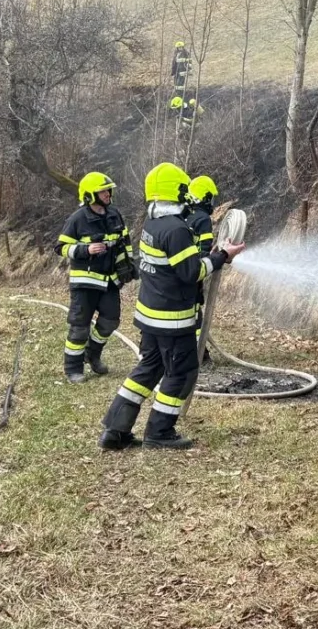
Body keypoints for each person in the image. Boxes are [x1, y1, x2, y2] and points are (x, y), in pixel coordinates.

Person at [98, 163, 243, 451]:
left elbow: (176, 264)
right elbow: (191, 273)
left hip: (150, 315)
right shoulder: (177, 230)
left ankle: (115, 430)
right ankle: (160, 431)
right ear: (177, 192)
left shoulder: (153, 225)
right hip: (173, 320)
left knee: (149, 368)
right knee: (182, 371)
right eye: (184, 190)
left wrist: (213, 256)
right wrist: (222, 256)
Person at [56, 172, 136, 384]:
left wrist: (128, 265)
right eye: (103, 191)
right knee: (80, 326)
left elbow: (124, 241)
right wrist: (85, 249)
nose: (108, 194)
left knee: (111, 321)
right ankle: (73, 368)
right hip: (85, 283)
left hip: (109, 281)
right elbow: (61, 247)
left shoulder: (115, 214)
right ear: (91, 195)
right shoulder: (78, 219)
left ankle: (92, 354)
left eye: (108, 190)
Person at [186, 175, 218, 365]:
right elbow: (204, 249)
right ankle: (200, 355)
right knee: (195, 315)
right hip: (194, 274)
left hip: (179, 272)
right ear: (203, 197)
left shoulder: (184, 214)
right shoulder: (203, 219)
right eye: (210, 198)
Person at [170, 41, 191, 107]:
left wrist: (188, 71)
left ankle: (181, 97)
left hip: (183, 72)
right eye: (178, 47)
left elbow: (189, 63)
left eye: (181, 47)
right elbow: (174, 63)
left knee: (180, 86)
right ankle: (177, 96)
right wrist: (173, 72)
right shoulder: (176, 54)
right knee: (176, 85)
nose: (180, 48)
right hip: (177, 72)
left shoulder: (186, 53)